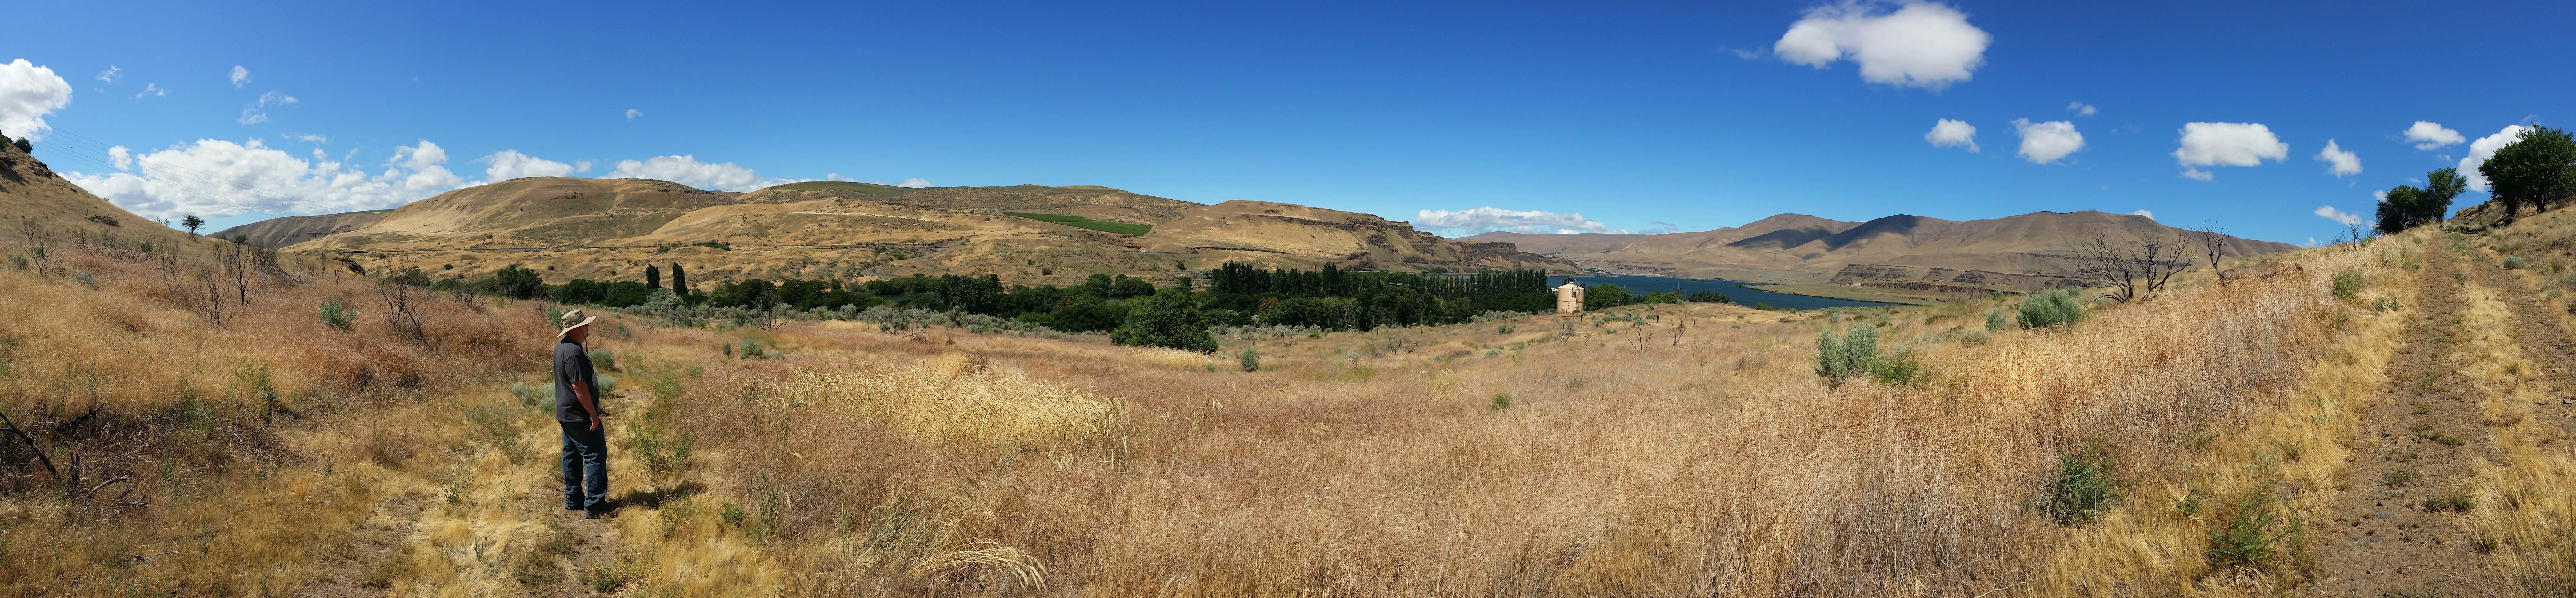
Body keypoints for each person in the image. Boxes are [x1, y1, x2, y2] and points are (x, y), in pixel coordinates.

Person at [553, 309, 614, 518]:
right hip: (579, 415)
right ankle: (595, 505)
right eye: (586, 324)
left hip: (565, 413)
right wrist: (593, 414)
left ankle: (573, 498)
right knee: (595, 455)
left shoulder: (562, 348)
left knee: (571, 454)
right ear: (577, 328)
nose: (589, 327)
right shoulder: (574, 352)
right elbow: (579, 387)